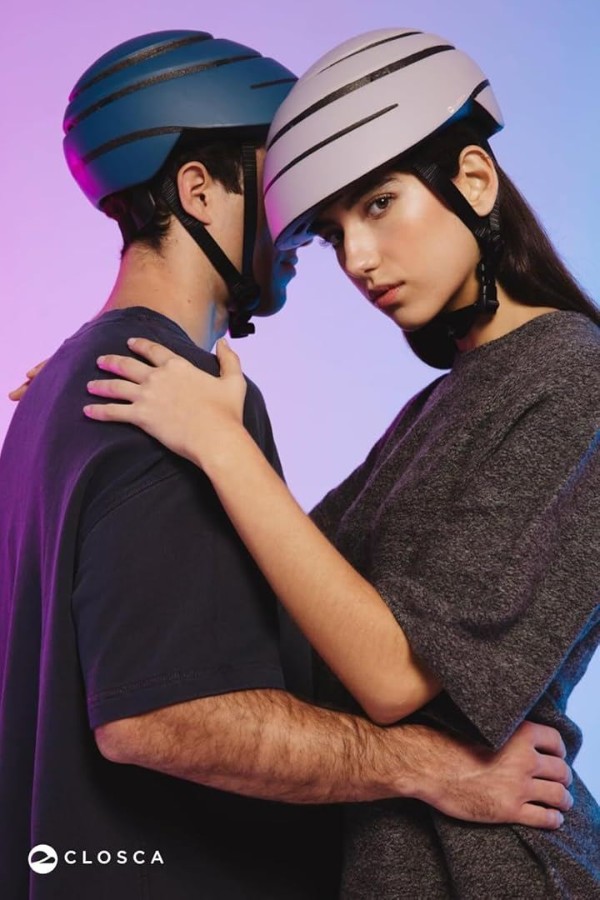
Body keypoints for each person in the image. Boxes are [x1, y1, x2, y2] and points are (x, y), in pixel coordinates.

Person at [0, 28, 574, 900]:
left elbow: (314, 623)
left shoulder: (120, 395)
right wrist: (429, 765)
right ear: (199, 189)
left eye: (368, 205)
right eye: (289, 192)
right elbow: (162, 709)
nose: (320, 240)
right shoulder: (168, 398)